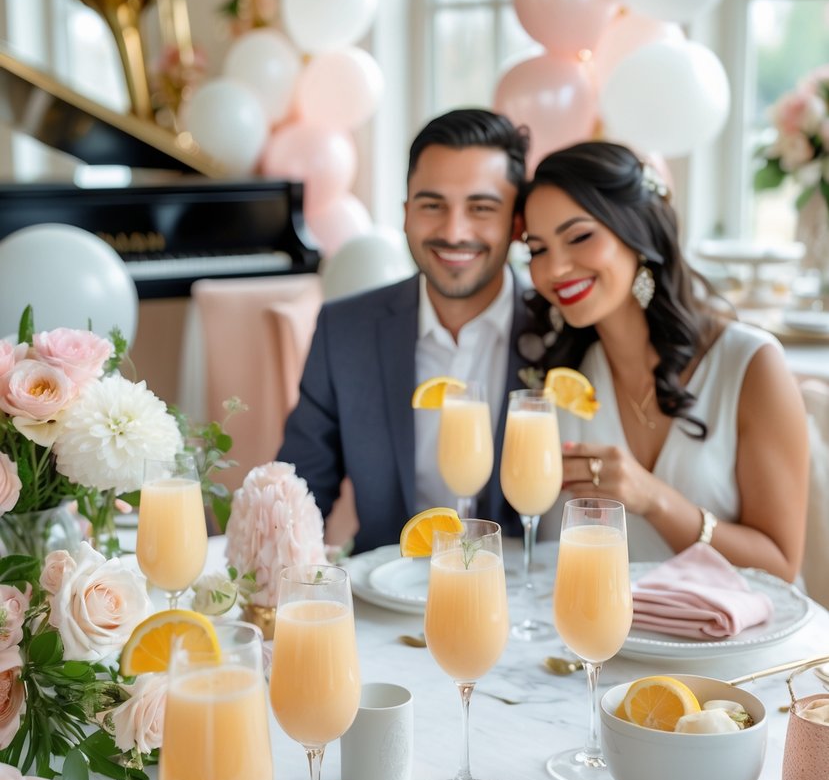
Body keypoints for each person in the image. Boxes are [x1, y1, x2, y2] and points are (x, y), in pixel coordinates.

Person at [522, 141, 808, 581]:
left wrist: (654, 498)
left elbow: (780, 569)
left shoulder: (751, 366)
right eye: (537, 249)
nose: (555, 268)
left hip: (734, 641)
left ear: (639, 233)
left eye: (579, 236)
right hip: (600, 639)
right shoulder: (563, 382)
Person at [279, 108, 534, 552]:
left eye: (481, 208)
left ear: (516, 224)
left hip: (527, 599)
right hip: (387, 598)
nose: (454, 232)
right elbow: (299, 495)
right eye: (432, 205)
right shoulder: (345, 330)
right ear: (405, 214)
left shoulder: (562, 329)